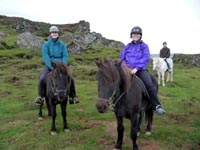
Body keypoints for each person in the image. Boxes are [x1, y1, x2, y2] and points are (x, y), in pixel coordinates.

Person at [119, 26, 166, 115]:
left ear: (140, 36)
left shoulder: (144, 46)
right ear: (131, 35)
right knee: (117, 83)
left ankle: (156, 105)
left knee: (149, 84)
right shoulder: (127, 46)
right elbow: (122, 57)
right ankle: (115, 104)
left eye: (137, 34)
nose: (135, 35)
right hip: (127, 70)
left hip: (140, 70)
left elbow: (145, 58)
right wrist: (126, 68)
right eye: (134, 34)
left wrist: (136, 68)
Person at [34, 25, 79, 105]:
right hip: (50, 66)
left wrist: (62, 66)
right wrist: (52, 67)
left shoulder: (62, 45)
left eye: (56, 32)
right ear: (50, 34)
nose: (54, 34)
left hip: (61, 66)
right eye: (53, 33)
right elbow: (45, 56)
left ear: (58, 34)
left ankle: (72, 97)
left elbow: (65, 56)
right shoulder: (46, 45)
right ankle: (40, 97)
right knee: (42, 78)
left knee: (71, 78)